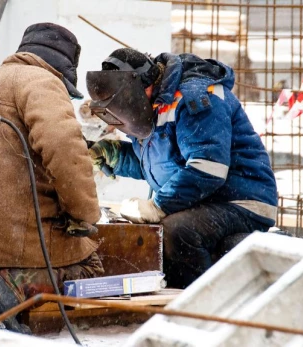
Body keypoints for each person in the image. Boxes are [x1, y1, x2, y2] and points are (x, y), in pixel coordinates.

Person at [86, 48, 278, 289]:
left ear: (140, 87)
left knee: (178, 231)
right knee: (152, 234)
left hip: (241, 201)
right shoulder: (151, 108)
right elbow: (161, 166)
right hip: (203, 200)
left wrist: (159, 206)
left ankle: (200, 307)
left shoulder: (195, 96)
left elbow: (207, 168)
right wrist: (112, 154)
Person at [0, 23, 103, 332]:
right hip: (21, 238)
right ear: (63, 69)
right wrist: (86, 215)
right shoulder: (43, 81)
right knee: (90, 265)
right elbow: (64, 149)